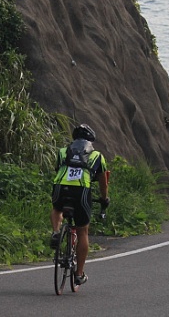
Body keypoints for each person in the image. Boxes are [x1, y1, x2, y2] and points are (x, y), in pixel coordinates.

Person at [49, 123, 109, 287]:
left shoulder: (62, 151)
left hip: (61, 187)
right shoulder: (97, 155)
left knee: (56, 208)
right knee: (83, 230)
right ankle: (79, 274)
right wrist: (104, 199)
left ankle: (55, 232)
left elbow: (59, 170)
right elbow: (103, 183)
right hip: (82, 191)